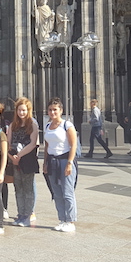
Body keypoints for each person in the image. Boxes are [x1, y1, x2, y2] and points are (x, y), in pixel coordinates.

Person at [43, 98, 78, 232]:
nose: (52, 112)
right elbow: (47, 146)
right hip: (52, 161)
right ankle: (62, 219)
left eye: (55, 110)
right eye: (50, 110)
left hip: (65, 160)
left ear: (61, 111)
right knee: (56, 193)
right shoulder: (47, 126)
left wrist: (69, 163)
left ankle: (70, 220)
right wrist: (45, 162)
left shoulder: (67, 125)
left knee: (67, 192)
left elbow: (73, 144)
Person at [7, 97, 39, 227]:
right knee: (18, 188)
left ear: (28, 110)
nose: (21, 113)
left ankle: (28, 214)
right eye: (19, 110)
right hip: (15, 161)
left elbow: (33, 143)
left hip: (27, 160)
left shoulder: (32, 124)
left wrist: (19, 155)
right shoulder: (12, 125)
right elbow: (8, 143)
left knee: (28, 189)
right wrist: (11, 157)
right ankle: (20, 214)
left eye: (24, 110)